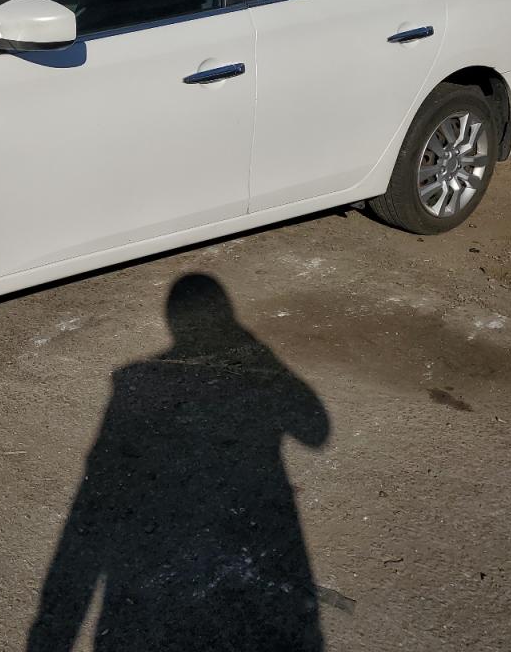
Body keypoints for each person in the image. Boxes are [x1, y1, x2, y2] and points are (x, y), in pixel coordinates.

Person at [28, 274, 330, 651]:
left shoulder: (132, 380)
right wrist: (265, 356)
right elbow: (316, 429)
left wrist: (50, 637)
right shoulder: (135, 382)